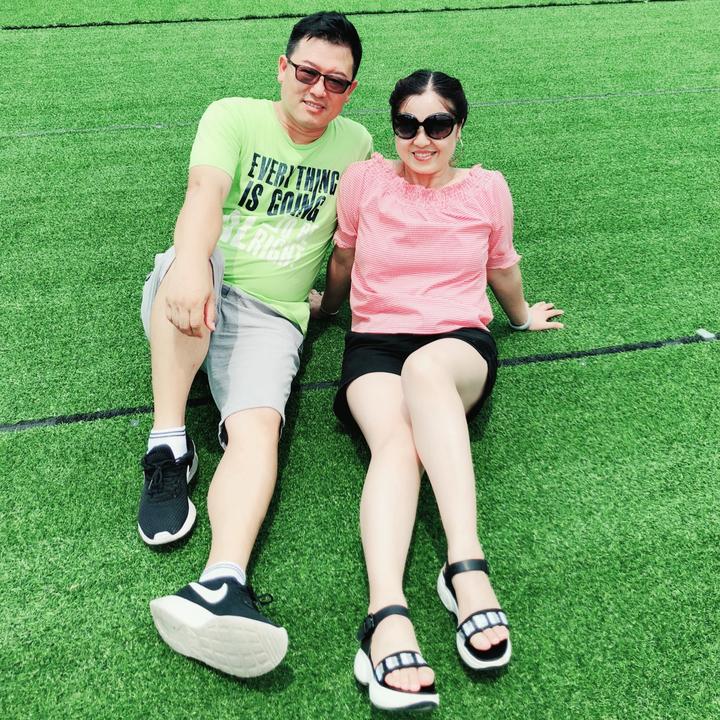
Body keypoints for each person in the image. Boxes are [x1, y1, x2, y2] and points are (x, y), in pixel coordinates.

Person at [311, 70, 564, 710]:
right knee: (396, 447)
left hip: (456, 344)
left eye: (437, 124)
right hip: (375, 343)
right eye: (407, 124)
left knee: (426, 370)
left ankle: (465, 568)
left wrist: (521, 317)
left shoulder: (487, 189)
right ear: (394, 126)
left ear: (459, 127)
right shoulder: (365, 181)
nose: (421, 139)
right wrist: (329, 310)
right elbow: (343, 258)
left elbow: (501, 265)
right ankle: (386, 614)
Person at [137, 12, 372, 678]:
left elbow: (356, 238)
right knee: (188, 264)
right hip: (202, 285)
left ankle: (221, 582)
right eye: (308, 72)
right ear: (283, 67)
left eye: (336, 81)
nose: (318, 89)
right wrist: (191, 262)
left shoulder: (357, 143)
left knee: (259, 429)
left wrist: (331, 305)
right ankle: (169, 444)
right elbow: (204, 193)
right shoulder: (233, 116)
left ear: (350, 90)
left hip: (275, 317)